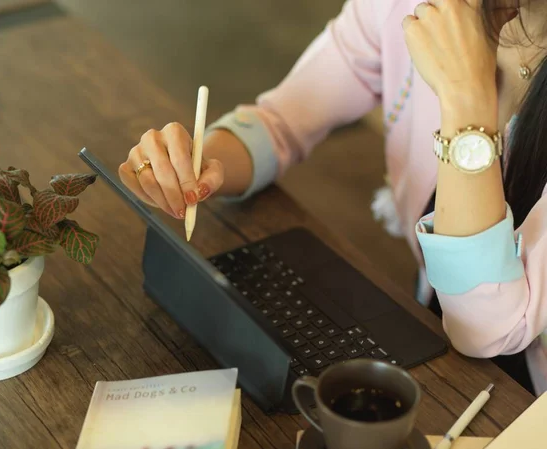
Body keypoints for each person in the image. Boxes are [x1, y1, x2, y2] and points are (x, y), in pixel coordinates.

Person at [119, 0, 547, 395]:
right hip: (438, 340)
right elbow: (283, 119)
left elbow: (485, 328)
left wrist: (466, 100)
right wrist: (197, 165)